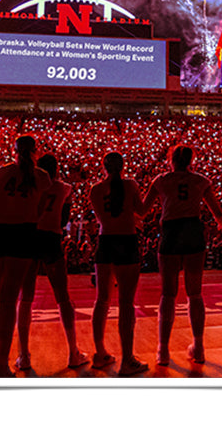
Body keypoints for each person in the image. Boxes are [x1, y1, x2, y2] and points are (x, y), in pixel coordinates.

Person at [0, 135, 50, 378]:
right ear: (35, 151)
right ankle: (1, 365)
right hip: (23, 233)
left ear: (13, 150)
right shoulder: (41, 177)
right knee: (8, 301)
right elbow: (40, 210)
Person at [143, 144, 222, 366]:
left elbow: (142, 211)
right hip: (192, 231)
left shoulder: (161, 180)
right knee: (195, 293)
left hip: (171, 232)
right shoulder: (200, 181)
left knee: (168, 294)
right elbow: (217, 212)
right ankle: (198, 347)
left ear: (170, 159)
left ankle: (163, 350)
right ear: (191, 160)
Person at [14, 154, 89, 372]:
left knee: (25, 298)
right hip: (51, 238)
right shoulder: (64, 188)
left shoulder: (30, 185)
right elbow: (64, 220)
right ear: (56, 169)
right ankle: (73, 351)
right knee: (63, 297)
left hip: (30, 237)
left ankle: (24, 355)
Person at [89, 152, 149, 376]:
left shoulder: (95, 189)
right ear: (123, 166)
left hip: (105, 241)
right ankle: (127, 359)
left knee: (101, 300)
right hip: (126, 241)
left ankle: (100, 353)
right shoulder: (130, 185)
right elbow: (141, 212)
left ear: (103, 167)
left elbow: (101, 218)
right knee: (126, 303)